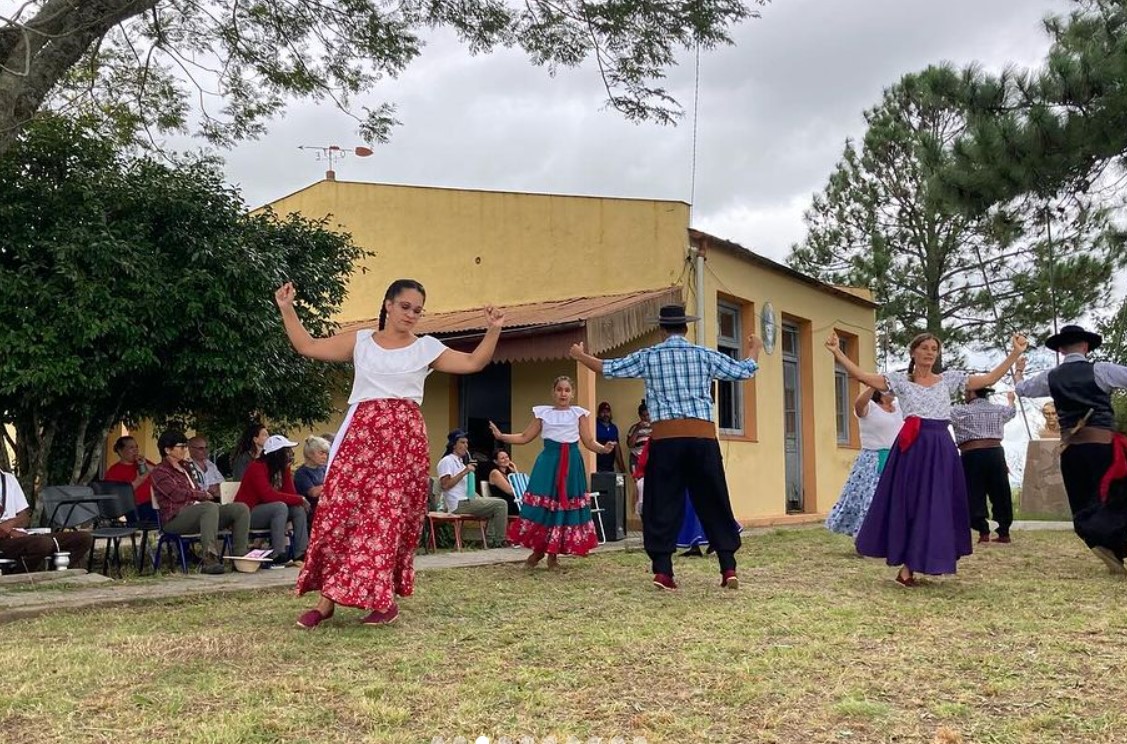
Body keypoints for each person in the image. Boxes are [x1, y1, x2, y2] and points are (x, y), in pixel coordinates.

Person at [277, 279, 504, 628]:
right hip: (361, 435)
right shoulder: (362, 341)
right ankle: (326, 601)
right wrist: (287, 308)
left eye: (417, 310)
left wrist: (494, 329)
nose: (411, 314)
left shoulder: (426, 348)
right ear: (387, 304)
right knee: (339, 511)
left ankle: (384, 601)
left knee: (385, 518)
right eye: (405, 306)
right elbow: (306, 345)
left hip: (402, 440)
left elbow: (474, 362)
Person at [570, 303, 762, 591]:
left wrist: (580, 355)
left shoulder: (650, 356)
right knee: (714, 499)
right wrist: (755, 348)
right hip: (702, 438)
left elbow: (608, 368)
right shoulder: (703, 354)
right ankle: (728, 568)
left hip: (666, 438)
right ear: (685, 328)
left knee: (662, 502)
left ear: (661, 330)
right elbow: (744, 371)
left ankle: (663, 571)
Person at [826, 331, 1027, 586]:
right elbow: (864, 377)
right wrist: (838, 352)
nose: (930, 352)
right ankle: (908, 565)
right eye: (925, 348)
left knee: (935, 503)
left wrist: (1014, 353)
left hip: (940, 446)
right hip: (912, 447)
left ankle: (921, 562)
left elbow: (989, 378)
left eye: (934, 348)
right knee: (911, 503)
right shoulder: (900, 381)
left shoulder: (949, 379)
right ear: (914, 352)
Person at [1014, 324, 1127, 574]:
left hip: (1071, 450)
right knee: (1113, 496)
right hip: (1103, 448)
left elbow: (1021, 390)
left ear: (1062, 349)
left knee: (1083, 501)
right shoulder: (1102, 370)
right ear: (1085, 347)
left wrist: (1019, 372)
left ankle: (1103, 544)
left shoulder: (1050, 376)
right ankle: (1112, 541)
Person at [489, 376, 613, 568]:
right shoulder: (543, 413)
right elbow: (524, 436)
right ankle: (538, 551)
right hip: (548, 462)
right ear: (553, 392)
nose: (563, 393)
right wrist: (501, 436)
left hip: (571, 462)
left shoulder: (578, 414)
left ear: (572, 394)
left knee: (565, 506)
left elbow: (588, 441)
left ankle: (553, 554)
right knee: (545, 504)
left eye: (567, 390)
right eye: (559, 390)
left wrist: (604, 449)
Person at [149, 430, 251, 575]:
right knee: (208, 508)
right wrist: (202, 494)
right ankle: (210, 559)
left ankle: (240, 556)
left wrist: (202, 496)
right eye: (181, 446)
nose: (185, 450)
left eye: (185, 446)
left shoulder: (186, 467)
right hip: (175, 519)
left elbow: (196, 489)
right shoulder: (160, 471)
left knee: (240, 508)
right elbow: (176, 494)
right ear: (167, 450)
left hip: (199, 511)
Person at [825, 387, 904, 538]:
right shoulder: (870, 407)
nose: (893, 390)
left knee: (893, 500)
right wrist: (874, 383)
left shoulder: (899, 408)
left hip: (895, 458)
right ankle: (865, 537)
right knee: (869, 499)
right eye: (888, 388)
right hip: (872, 460)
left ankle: (888, 537)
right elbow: (859, 404)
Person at [950, 388, 1017, 544]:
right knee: (1000, 491)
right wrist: (1011, 400)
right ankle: (1004, 530)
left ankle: (982, 530)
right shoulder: (998, 410)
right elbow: (1011, 411)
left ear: (972, 393)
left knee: (973, 492)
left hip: (971, 453)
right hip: (996, 452)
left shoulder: (959, 411)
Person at [234, 434, 310, 564]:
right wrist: (300, 498)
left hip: (273, 512)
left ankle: (301, 552)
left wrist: (299, 500)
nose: (290, 454)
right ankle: (278, 552)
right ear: (276, 454)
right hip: (249, 514)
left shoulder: (283, 469)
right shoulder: (256, 467)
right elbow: (268, 496)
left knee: (297, 509)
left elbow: (290, 494)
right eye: (286, 451)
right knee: (280, 506)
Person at [0, 470, 94, 572]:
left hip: (20, 537)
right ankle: (15, 578)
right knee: (43, 544)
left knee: (83, 538)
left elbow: (25, 517)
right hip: (4, 542)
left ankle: (54, 576)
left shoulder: (8, 479)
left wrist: (11, 524)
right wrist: (7, 531)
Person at [437, 430, 511, 547]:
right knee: (500, 504)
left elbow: (466, 487)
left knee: (496, 504)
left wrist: (480, 498)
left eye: (466, 443)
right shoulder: (447, 461)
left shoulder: (460, 463)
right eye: (462, 443)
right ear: (453, 445)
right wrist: (465, 471)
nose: (465, 446)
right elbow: (445, 485)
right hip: (458, 503)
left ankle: (491, 541)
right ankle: (499, 541)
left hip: (467, 500)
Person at [104, 435, 158, 513]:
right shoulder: (114, 471)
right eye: (131, 448)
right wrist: (138, 481)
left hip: (155, 503)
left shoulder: (143, 462)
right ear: (120, 451)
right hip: (135, 508)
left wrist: (145, 464)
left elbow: (160, 473)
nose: (136, 450)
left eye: (136, 447)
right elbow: (116, 495)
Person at [293, 435, 331, 520]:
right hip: (312, 512)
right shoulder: (302, 473)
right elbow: (313, 493)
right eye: (321, 453)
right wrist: (331, 482)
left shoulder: (325, 468)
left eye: (326, 454)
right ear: (310, 454)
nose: (325, 457)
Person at [187, 435, 225, 502]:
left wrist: (213, 490)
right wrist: (209, 489)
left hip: (218, 499)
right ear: (191, 449)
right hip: (200, 503)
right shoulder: (187, 466)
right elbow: (194, 489)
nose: (205, 451)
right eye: (201, 448)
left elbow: (223, 484)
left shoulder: (211, 465)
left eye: (206, 448)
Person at [486, 448, 521, 515]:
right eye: (502, 458)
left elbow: (519, 484)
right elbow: (511, 491)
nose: (506, 460)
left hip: (513, 502)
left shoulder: (509, 473)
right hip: (504, 504)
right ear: (496, 461)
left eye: (507, 457)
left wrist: (515, 470)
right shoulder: (495, 473)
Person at [594, 402, 626, 473]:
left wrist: (622, 467)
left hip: (610, 468)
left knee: (614, 483)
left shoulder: (613, 428)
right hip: (596, 468)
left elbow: (617, 449)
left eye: (607, 412)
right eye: (603, 412)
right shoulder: (594, 425)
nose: (606, 414)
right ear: (599, 413)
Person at [626, 401, 653, 474]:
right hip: (637, 459)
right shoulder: (634, 427)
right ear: (640, 416)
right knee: (639, 483)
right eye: (644, 416)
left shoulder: (656, 427)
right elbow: (630, 445)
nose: (646, 418)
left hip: (652, 460)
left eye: (648, 415)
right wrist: (637, 429)